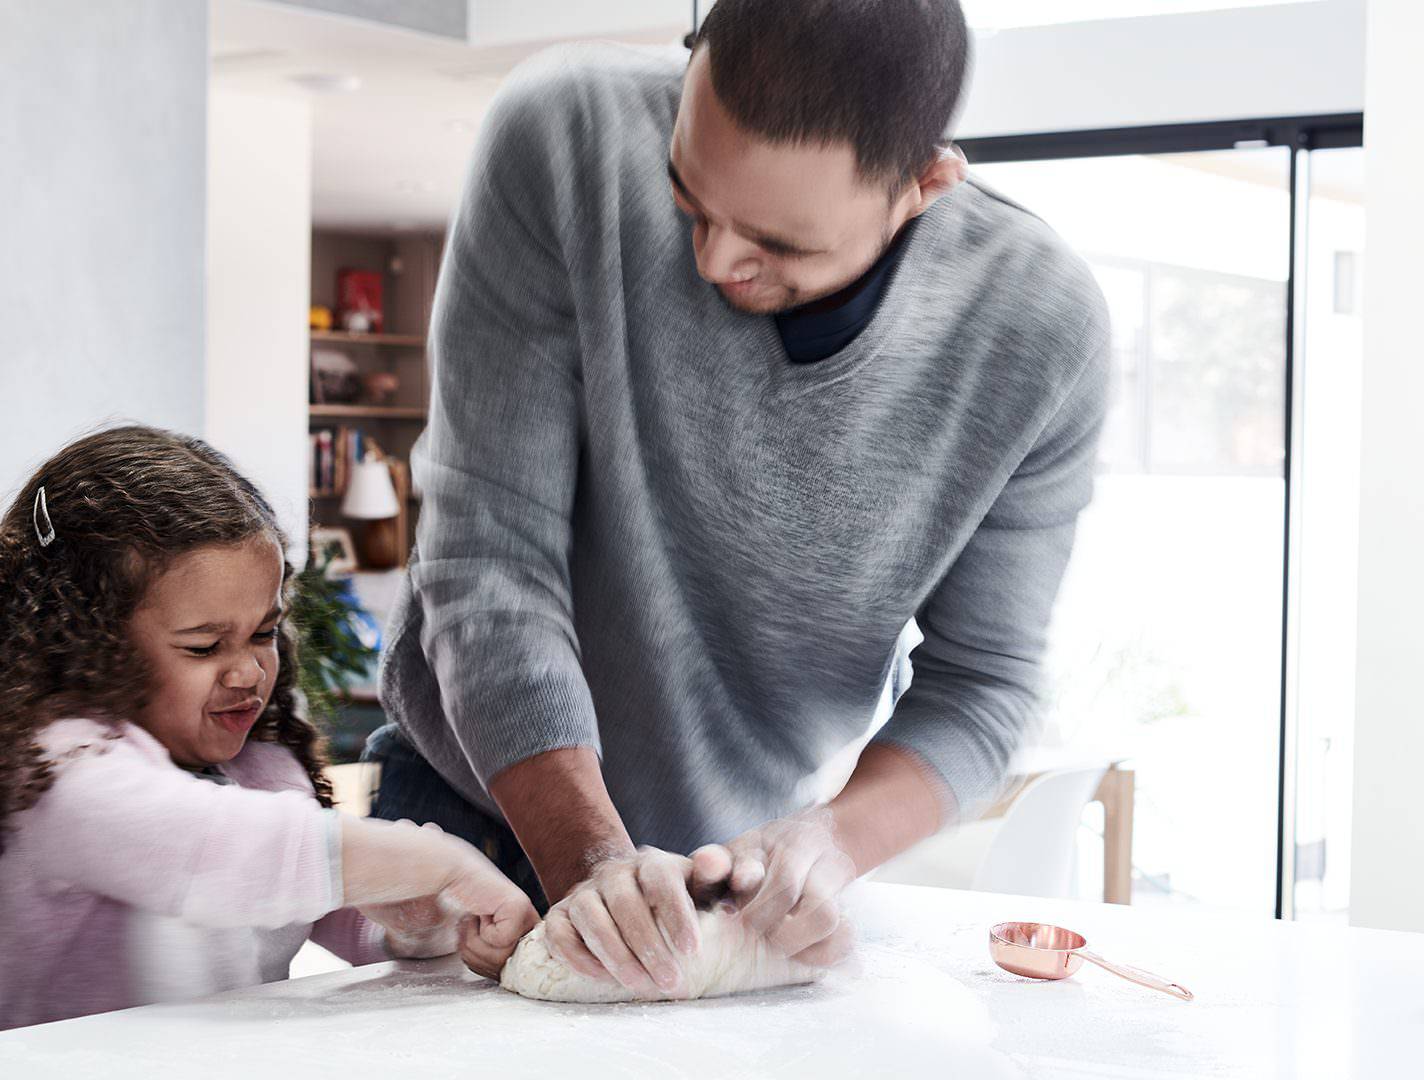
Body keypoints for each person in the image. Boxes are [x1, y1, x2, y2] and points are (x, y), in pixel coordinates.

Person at [372, 0, 1110, 993]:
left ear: (923, 188)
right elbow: (488, 559)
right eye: (689, 197)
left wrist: (829, 847)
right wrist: (589, 864)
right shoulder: (563, 135)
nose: (715, 261)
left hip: (738, 874)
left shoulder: (1039, 331)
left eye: (779, 245)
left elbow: (981, 685)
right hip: (480, 814)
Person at [0, 426, 538, 1029]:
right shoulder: (57, 773)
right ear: (87, 647)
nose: (250, 671)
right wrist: (441, 860)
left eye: (264, 633)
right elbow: (217, 850)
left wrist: (418, 925)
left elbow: (335, 910)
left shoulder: (262, 771)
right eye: (204, 646)